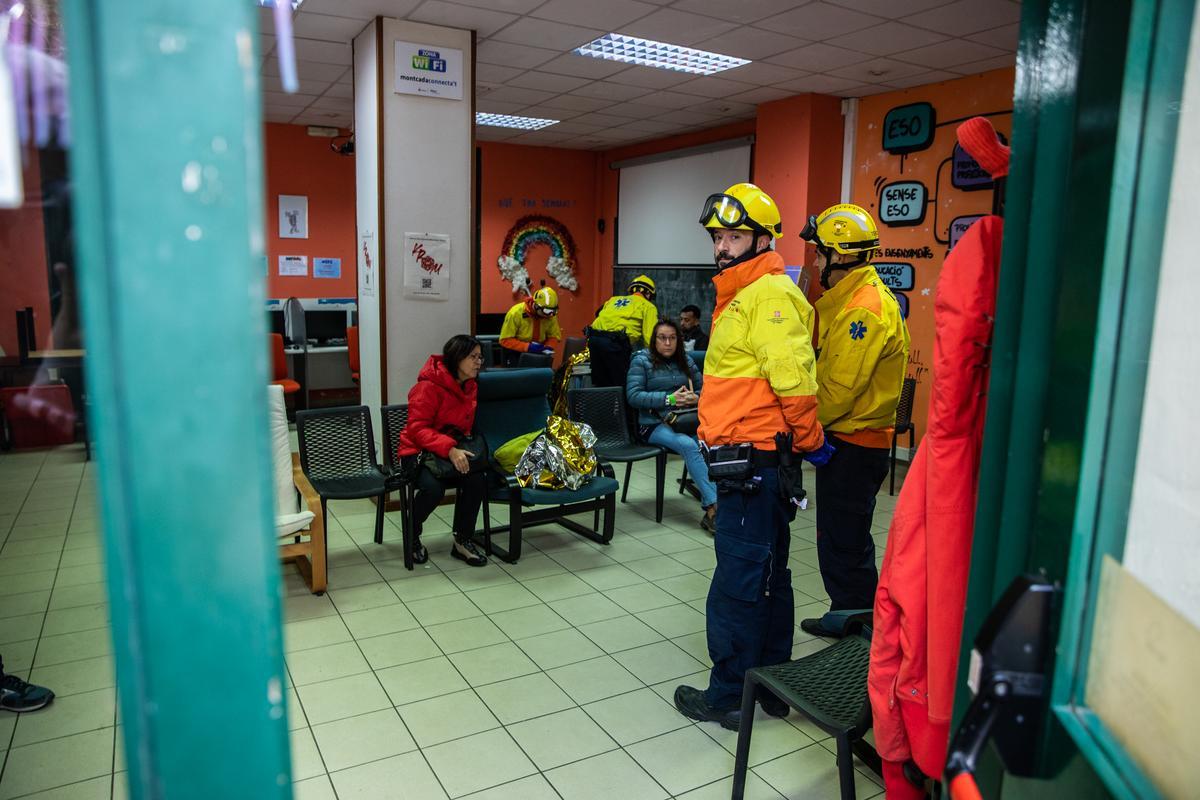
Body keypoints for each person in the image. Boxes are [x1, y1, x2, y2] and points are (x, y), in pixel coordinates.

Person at [674, 183, 833, 729]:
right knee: (768, 574)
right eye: (717, 236)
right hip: (750, 461)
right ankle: (770, 684)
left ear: (763, 239)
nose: (721, 246)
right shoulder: (740, 294)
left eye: (734, 236)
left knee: (739, 584)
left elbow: (794, 380)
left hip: (755, 467)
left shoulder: (768, 294)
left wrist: (810, 440)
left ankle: (727, 698)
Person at [799, 203, 910, 636]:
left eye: (819, 253)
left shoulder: (863, 310)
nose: (814, 261)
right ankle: (849, 615)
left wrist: (798, 426)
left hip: (855, 445)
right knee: (842, 538)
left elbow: (838, 393)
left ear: (841, 256)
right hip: (854, 444)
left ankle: (862, 629)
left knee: (844, 542)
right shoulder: (854, 300)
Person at [397, 335, 490, 567]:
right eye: (473, 357)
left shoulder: (470, 386)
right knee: (433, 488)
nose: (479, 362)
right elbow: (417, 429)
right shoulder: (427, 386)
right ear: (457, 358)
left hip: (449, 451)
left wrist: (456, 449)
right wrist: (449, 449)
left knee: (477, 479)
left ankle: (463, 540)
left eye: (480, 356)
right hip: (416, 453)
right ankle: (412, 534)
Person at [625, 319, 718, 531]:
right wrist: (670, 399)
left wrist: (695, 397)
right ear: (654, 340)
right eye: (662, 338)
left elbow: (708, 390)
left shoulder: (685, 360)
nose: (667, 343)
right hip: (651, 424)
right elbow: (633, 396)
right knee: (688, 445)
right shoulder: (641, 361)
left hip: (685, 420)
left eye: (672, 338)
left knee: (712, 441)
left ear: (678, 340)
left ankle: (714, 504)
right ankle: (714, 507)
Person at [586, 275, 658, 388]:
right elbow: (650, 337)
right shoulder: (648, 306)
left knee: (601, 384)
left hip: (594, 340)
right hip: (615, 345)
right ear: (648, 294)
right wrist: (657, 358)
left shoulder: (613, 300)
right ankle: (621, 406)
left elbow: (598, 314)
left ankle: (601, 405)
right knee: (622, 385)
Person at [498, 286, 561, 366]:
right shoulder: (515, 313)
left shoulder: (550, 315)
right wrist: (528, 347)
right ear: (536, 306)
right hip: (517, 354)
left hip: (540, 354)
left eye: (553, 311)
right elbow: (505, 340)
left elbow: (554, 336)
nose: (549, 315)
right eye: (546, 311)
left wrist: (549, 346)